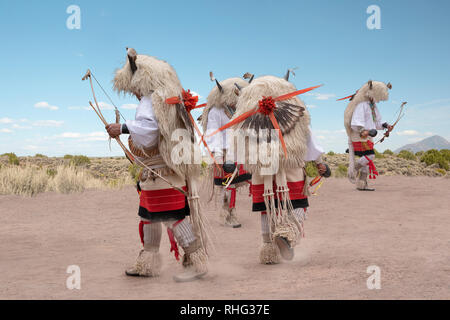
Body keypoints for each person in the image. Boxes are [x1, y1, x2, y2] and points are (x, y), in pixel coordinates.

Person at [106, 48, 208, 282]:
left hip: (161, 172)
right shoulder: (163, 99)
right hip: (161, 173)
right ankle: (148, 263)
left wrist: (121, 128)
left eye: (132, 86)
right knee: (149, 217)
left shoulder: (151, 100)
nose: (132, 92)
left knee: (172, 217)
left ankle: (197, 261)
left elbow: (150, 132)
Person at [209, 72, 331, 264]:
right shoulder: (296, 110)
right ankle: (287, 234)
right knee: (298, 204)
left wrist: (231, 159)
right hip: (289, 168)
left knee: (267, 207)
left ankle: (268, 249)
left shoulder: (246, 117)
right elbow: (309, 137)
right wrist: (319, 162)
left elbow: (238, 140)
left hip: (262, 170)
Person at [200, 72, 251, 228]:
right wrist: (219, 157)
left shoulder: (240, 113)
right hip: (222, 153)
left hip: (237, 152)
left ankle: (231, 212)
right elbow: (212, 133)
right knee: (227, 186)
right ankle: (225, 215)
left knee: (233, 185)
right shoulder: (216, 112)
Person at [343, 80, 393, 191]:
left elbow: (378, 122)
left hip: (368, 137)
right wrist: (363, 131)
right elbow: (356, 122)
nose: (379, 100)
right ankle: (354, 169)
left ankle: (361, 184)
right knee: (370, 156)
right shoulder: (362, 105)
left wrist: (386, 126)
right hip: (359, 136)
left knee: (365, 162)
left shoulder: (373, 107)